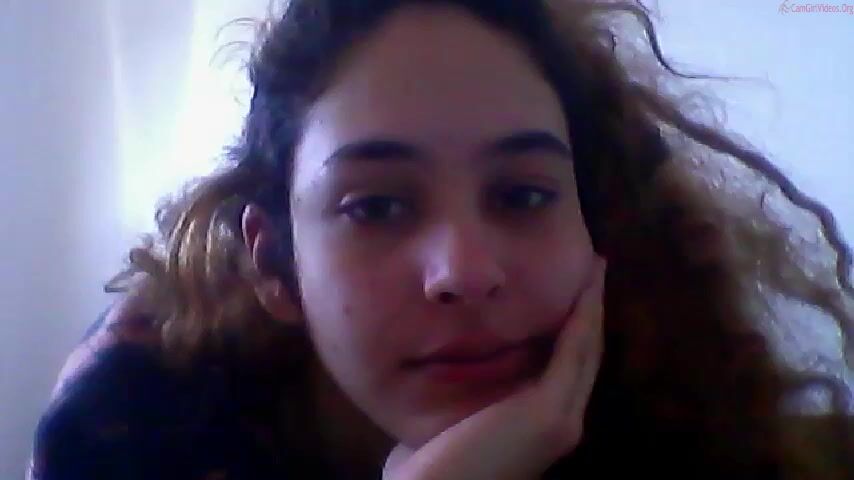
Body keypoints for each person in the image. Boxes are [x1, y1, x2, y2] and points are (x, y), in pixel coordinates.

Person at [30, 0, 854, 478]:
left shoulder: (681, 414)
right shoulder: (125, 427)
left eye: (523, 195)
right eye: (376, 208)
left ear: (598, 229)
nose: (463, 271)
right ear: (273, 263)